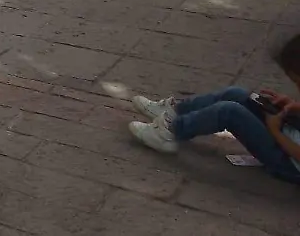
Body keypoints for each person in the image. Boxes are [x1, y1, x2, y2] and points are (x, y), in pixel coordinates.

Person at [129, 32, 300, 184]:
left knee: (229, 112)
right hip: (289, 130)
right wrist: (292, 106)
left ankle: (170, 133)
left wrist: (275, 131)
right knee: (236, 94)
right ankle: (175, 112)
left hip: (288, 162)